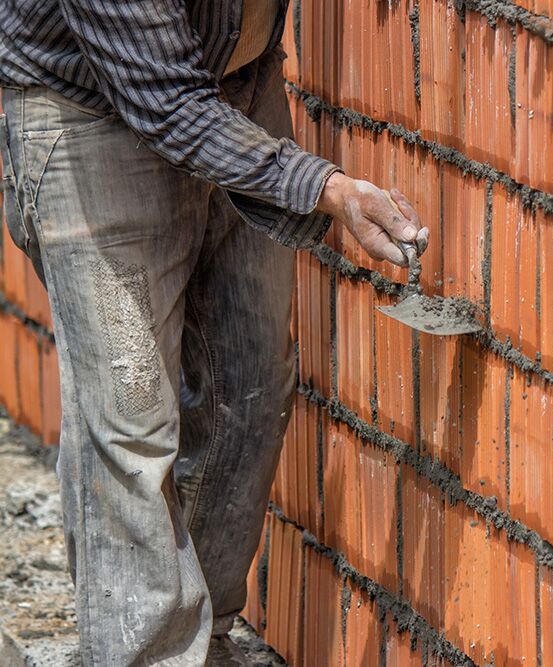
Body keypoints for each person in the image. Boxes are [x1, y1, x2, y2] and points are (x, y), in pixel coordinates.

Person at [0, 0, 428, 664]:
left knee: (249, 390)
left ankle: (201, 642)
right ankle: (149, 655)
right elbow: (167, 105)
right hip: (88, 116)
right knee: (131, 424)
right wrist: (331, 190)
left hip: (237, 86)